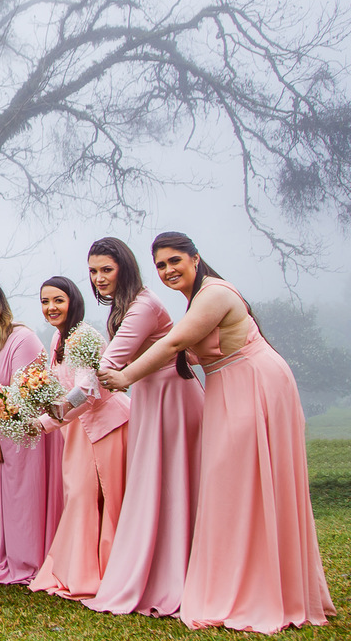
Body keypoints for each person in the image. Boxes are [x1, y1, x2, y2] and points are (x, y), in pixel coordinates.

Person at [98, 232, 334, 633]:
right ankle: (241, 582)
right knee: (231, 484)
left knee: (244, 481)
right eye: (160, 265)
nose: (168, 270)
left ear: (195, 258)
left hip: (255, 384)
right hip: (226, 388)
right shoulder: (194, 301)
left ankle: (257, 588)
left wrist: (124, 377)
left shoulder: (215, 293)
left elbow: (175, 342)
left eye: (175, 260)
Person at [82, 237, 204, 618]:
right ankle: (160, 566)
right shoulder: (123, 306)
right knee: (155, 484)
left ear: (125, 268)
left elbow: (109, 365)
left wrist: (57, 408)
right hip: (149, 397)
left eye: (107, 269)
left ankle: (179, 575)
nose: (99, 278)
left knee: (176, 482)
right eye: (93, 271)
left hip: (173, 395)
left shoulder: (143, 306)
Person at [29, 276, 130, 600]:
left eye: (58, 300)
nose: (51, 307)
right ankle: (79, 569)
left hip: (106, 427)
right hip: (77, 430)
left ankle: (109, 573)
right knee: (80, 496)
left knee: (105, 498)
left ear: (73, 301)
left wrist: (48, 418)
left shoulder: (83, 336)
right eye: (45, 301)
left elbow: (87, 388)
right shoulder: (58, 339)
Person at [0, 276, 63, 585]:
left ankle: (26, 560)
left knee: (23, 498)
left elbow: (22, 395)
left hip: (26, 430)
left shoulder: (22, 338)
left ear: (0, 304)